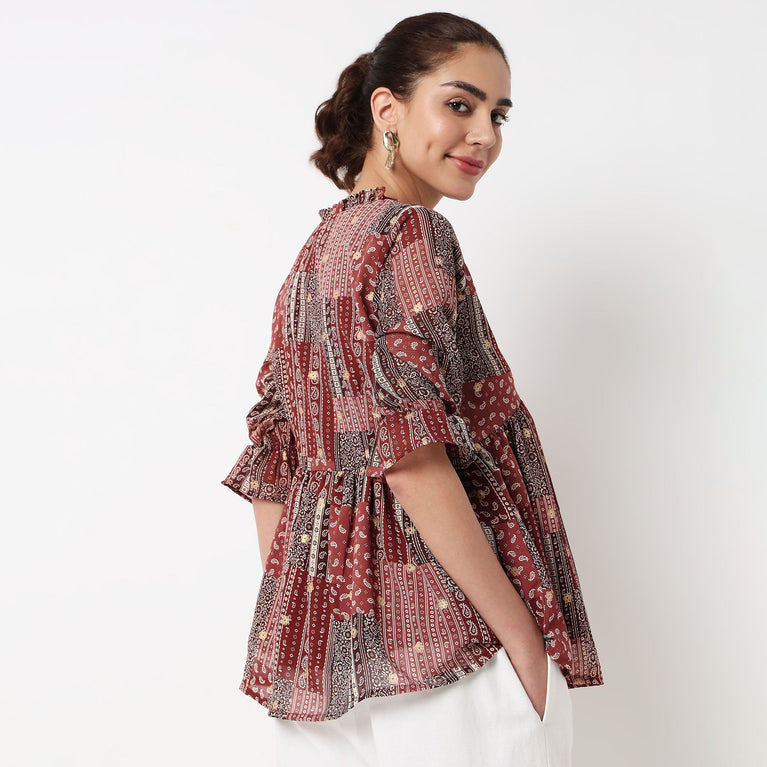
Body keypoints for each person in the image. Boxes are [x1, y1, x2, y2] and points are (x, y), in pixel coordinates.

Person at [222, 11, 603, 767]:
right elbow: (410, 457)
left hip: (328, 669)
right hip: (455, 655)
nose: (484, 135)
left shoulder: (318, 254)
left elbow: (275, 463)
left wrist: (312, 626)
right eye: (459, 104)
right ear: (387, 109)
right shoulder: (412, 235)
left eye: (498, 115)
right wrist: (522, 641)